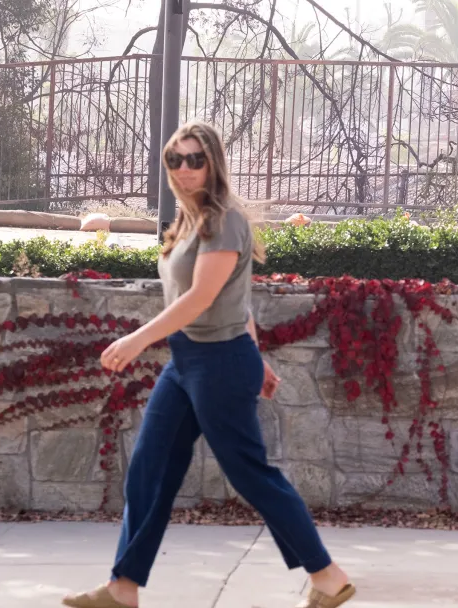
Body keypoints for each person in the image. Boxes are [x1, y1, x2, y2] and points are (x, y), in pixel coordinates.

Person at [63, 120, 355, 608]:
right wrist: (258, 357)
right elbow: (240, 302)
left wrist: (137, 339)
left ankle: (327, 575)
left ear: (213, 162)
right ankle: (123, 587)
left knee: (248, 473)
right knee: (148, 469)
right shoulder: (185, 222)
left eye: (194, 159)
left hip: (219, 363)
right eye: (174, 159)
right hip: (188, 361)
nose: (184, 168)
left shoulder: (224, 221)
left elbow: (202, 297)